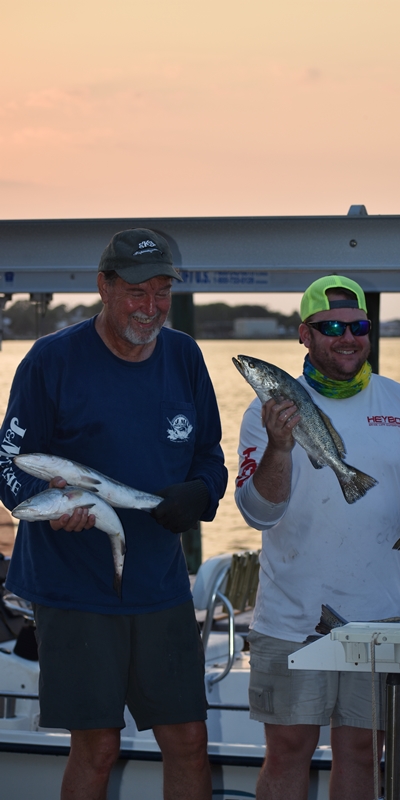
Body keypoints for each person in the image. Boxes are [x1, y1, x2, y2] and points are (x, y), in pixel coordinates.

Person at [234, 275, 400, 800]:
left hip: (378, 618)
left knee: (362, 754)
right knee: (288, 751)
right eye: (330, 326)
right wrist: (280, 446)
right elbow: (257, 514)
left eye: (358, 325)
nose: (347, 336)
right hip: (291, 620)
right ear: (304, 335)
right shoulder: (267, 411)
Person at [0, 228, 228, 800]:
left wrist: (199, 495)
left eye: (160, 293)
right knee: (97, 745)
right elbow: (9, 466)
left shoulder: (185, 356)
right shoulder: (51, 361)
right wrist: (50, 510)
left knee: (188, 738)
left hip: (160, 581)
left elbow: (210, 457)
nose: (149, 308)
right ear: (104, 287)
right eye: (135, 293)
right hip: (73, 585)